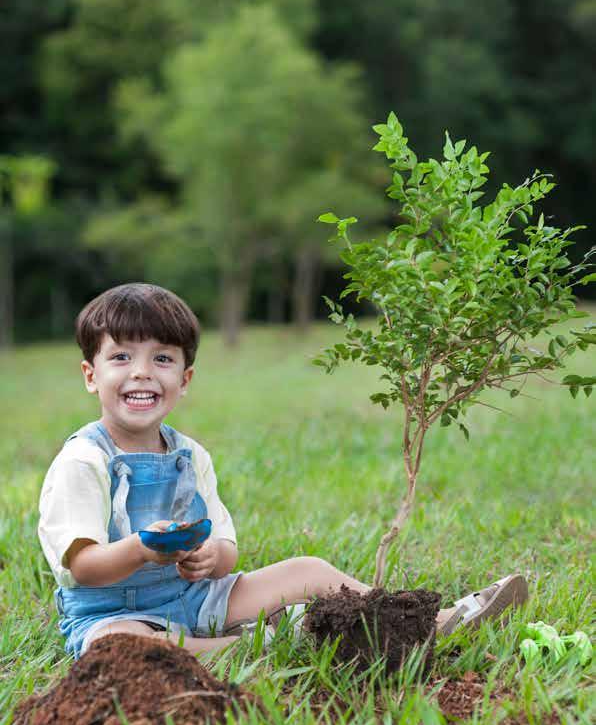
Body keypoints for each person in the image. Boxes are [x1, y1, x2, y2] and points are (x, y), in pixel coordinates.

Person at [38, 283, 528, 661]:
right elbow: (82, 566)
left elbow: (226, 549)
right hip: (114, 613)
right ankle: (272, 645)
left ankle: (422, 621)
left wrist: (209, 557)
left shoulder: (190, 457)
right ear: (91, 375)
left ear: (184, 380)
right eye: (121, 357)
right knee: (126, 646)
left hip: (195, 597)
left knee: (307, 570)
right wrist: (142, 547)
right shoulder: (84, 461)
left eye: (161, 359)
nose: (142, 372)